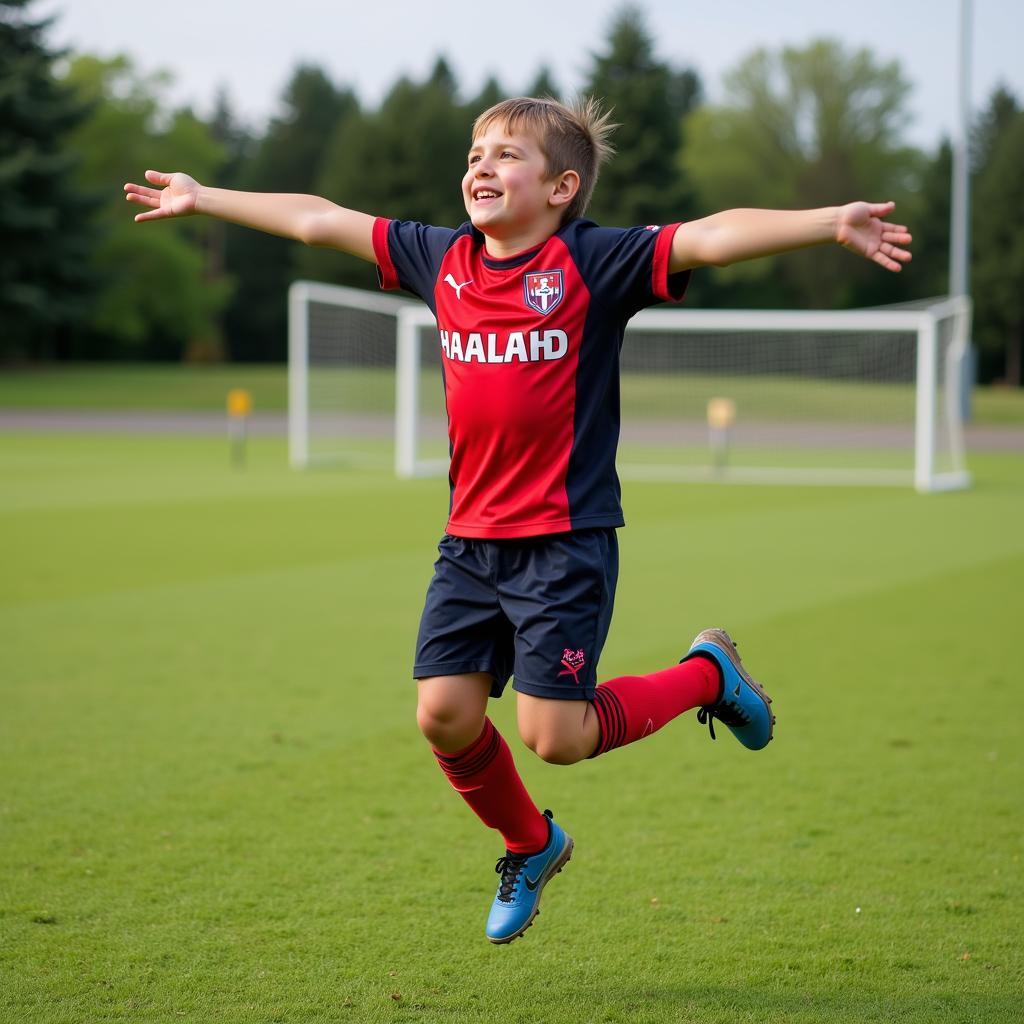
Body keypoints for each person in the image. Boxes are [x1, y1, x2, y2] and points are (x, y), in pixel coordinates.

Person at [124, 95, 912, 945]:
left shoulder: (596, 263)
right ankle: (531, 844)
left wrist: (831, 219)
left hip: (563, 544)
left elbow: (711, 235)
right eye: (475, 152)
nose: (481, 166)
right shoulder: (442, 257)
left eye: (506, 155)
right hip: (468, 544)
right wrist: (206, 198)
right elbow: (320, 219)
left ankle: (709, 675)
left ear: (563, 187)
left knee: (556, 738)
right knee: (444, 714)